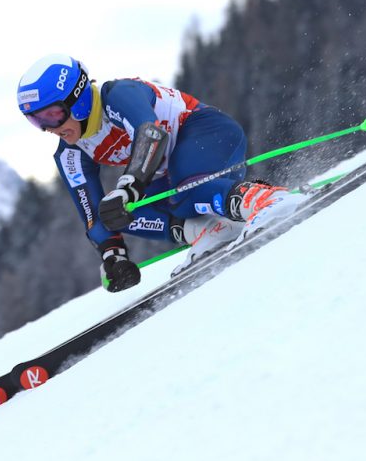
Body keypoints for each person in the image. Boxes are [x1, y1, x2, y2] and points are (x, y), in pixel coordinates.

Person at [16, 54, 307, 292]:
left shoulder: (118, 96)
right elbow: (92, 215)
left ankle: (266, 201)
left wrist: (129, 185)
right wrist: (112, 256)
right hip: (170, 174)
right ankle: (210, 230)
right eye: (36, 120)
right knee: (115, 212)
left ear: (77, 98)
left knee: (183, 189)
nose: (49, 128)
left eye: (52, 114)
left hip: (209, 133)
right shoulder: (70, 153)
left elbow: (152, 135)